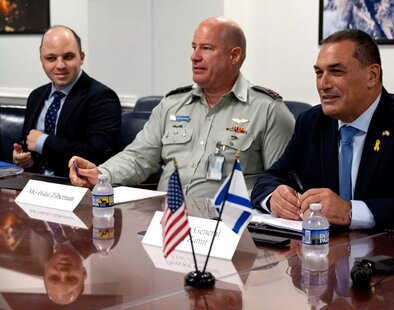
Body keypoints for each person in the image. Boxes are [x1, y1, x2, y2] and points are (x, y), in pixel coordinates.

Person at [251, 29, 394, 232]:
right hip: (323, 254)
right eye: (318, 73)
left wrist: (351, 212)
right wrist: (274, 198)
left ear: (372, 75)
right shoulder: (311, 122)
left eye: (336, 71)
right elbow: (269, 178)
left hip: (393, 255)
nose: (323, 84)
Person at [69, 17, 294, 199]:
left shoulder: (268, 110)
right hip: (167, 222)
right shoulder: (172, 104)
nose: (194, 56)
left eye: (206, 48)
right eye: (194, 47)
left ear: (234, 55)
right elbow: (139, 157)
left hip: (227, 229)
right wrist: (101, 173)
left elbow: (279, 184)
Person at [13, 25, 122, 177]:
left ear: (81, 57)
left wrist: (44, 142)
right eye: (51, 58)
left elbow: (99, 154)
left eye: (68, 56)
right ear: (41, 60)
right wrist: (24, 158)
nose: (60, 65)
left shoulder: (102, 97)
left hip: (75, 187)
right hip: (34, 183)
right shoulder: (36, 96)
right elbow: (29, 142)